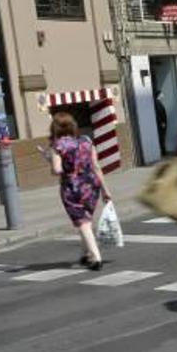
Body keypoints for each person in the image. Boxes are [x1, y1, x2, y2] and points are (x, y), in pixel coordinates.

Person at [44, 112, 112, 271]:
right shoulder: (86, 141)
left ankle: (96, 257)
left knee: (82, 223)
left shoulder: (57, 146)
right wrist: (105, 190)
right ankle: (85, 254)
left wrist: (49, 159)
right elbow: (96, 167)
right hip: (91, 186)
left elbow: (57, 170)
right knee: (86, 220)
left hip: (72, 187)